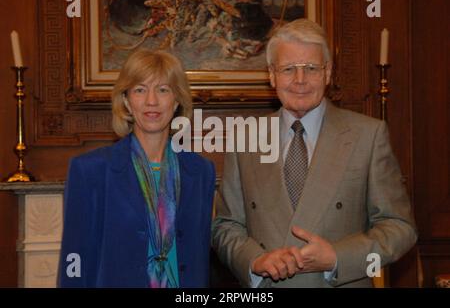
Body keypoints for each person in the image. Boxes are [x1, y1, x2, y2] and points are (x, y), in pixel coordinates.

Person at [211, 19, 417, 287]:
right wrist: (254, 262)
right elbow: (226, 226)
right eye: (288, 69)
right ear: (271, 75)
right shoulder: (246, 139)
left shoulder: (367, 136)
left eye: (311, 68)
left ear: (328, 73)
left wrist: (338, 258)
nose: (300, 80)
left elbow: (401, 230)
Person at [58, 49, 216, 288]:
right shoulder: (90, 170)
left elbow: (200, 257)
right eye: (140, 90)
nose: (151, 101)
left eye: (163, 90)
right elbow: (76, 257)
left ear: (176, 102)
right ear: (127, 101)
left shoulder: (201, 171)